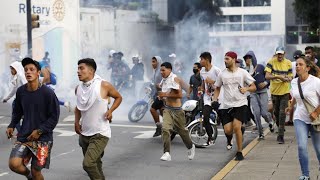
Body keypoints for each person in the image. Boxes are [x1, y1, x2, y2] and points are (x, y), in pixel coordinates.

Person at [6, 57, 60, 180]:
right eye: (26, 70)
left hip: (43, 139)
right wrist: (11, 125)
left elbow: (54, 117)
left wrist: (40, 130)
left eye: (31, 69)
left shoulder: (48, 93)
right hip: (24, 137)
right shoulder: (21, 91)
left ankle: (34, 176)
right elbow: (17, 112)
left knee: (36, 171)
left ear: (38, 73)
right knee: (14, 164)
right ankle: (29, 176)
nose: (28, 72)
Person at [74, 58, 122, 180]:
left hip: (100, 133)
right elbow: (78, 107)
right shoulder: (78, 88)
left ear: (91, 71)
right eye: (78, 68)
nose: (78, 71)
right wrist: (76, 122)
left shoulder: (103, 85)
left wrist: (110, 111)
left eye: (81, 68)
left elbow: (118, 97)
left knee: (88, 164)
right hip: (84, 133)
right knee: (96, 163)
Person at [213, 51, 256, 161]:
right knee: (228, 130)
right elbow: (217, 87)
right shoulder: (222, 74)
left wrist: (246, 89)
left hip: (240, 104)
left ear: (233, 59)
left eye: (227, 59)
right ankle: (229, 138)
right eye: (224, 59)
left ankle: (239, 152)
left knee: (237, 127)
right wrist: (214, 99)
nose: (225, 61)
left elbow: (253, 87)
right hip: (226, 105)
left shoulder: (242, 73)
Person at [285, 56, 320, 180]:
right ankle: (305, 174)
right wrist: (290, 106)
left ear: (307, 68)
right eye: (297, 65)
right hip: (300, 117)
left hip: (315, 119)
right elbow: (295, 96)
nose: (297, 66)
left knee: (318, 149)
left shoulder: (316, 81)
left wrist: (316, 112)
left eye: (300, 65)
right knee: (301, 146)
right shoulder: (294, 82)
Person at [158, 62, 195, 161]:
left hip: (177, 111)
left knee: (182, 132)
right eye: (160, 70)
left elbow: (179, 95)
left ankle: (190, 146)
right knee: (165, 129)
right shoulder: (165, 79)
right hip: (168, 109)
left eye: (163, 70)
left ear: (169, 70)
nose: (161, 72)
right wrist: (162, 96)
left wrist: (164, 95)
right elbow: (185, 88)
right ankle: (167, 153)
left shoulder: (174, 79)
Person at [265, 46, 293, 144]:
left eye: (281, 53)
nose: (280, 55)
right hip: (274, 92)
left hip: (285, 92)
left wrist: (287, 79)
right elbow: (267, 76)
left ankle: (280, 135)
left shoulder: (288, 63)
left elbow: (291, 77)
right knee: (276, 113)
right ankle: (280, 126)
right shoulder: (271, 62)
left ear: (284, 53)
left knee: (282, 113)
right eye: (278, 53)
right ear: (276, 53)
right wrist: (278, 77)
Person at [243, 51, 273, 139]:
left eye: (249, 58)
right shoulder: (245, 70)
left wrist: (265, 83)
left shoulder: (261, 67)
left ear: (253, 58)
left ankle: (270, 120)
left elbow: (268, 78)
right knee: (256, 113)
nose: (248, 60)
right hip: (253, 93)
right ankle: (260, 133)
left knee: (264, 112)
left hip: (263, 92)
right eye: (246, 58)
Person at [199, 52, 221, 145]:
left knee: (224, 118)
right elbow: (203, 82)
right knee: (205, 117)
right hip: (207, 98)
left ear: (207, 60)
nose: (200, 61)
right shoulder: (202, 71)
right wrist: (201, 89)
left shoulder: (216, 70)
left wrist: (212, 81)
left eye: (201, 59)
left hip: (218, 97)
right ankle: (210, 137)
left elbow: (223, 83)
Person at [2, 61, 27, 133]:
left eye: (12, 69)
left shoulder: (20, 77)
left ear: (16, 69)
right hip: (20, 101)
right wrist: (6, 98)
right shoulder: (17, 77)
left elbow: (25, 87)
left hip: (21, 101)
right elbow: (14, 90)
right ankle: (22, 132)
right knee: (19, 118)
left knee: (15, 119)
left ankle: (22, 133)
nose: (11, 71)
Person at [286, 50, 305, 126]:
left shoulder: (292, 64)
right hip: (295, 85)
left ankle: (292, 120)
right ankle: (292, 120)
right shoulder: (296, 64)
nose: (298, 66)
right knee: (296, 103)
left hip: (294, 85)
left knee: (295, 103)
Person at [150, 56, 164, 137]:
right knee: (162, 111)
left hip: (161, 95)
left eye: (154, 62)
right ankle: (167, 127)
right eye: (152, 62)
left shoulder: (161, 71)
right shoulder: (155, 71)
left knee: (152, 109)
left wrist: (159, 86)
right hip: (157, 94)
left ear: (158, 62)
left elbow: (164, 82)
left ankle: (159, 128)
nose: (152, 64)